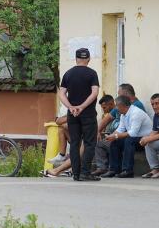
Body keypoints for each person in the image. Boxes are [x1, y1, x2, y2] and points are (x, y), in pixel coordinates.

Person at [59, 48, 100, 181]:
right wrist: (82, 107)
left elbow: (61, 93)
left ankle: (76, 174)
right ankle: (85, 172)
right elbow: (94, 93)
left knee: (75, 143)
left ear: (76, 59)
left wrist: (71, 107)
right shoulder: (92, 74)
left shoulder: (68, 74)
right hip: (87, 114)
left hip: (72, 115)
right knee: (89, 143)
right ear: (88, 59)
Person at [102, 95, 152, 178]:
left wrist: (116, 136)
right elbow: (120, 129)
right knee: (115, 142)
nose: (116, 108)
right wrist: (111, 136)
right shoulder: (123, 114)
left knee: (129, 140)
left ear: (122, 105)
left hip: (146, 139)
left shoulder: (136, 113)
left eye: (117, 106)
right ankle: (114, 170)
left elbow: (133, 133)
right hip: (135, 138)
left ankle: (127, 170)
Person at [91, 95, 118, 176]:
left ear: (111, 104)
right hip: (109, 136)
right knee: (95, 140)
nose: (103, 110)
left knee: (98, 143)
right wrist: (99, 133)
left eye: (104, 107)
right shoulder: (106, 115)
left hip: (117, 137)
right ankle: (100, 167)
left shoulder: (117, 112)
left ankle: (102, 168)